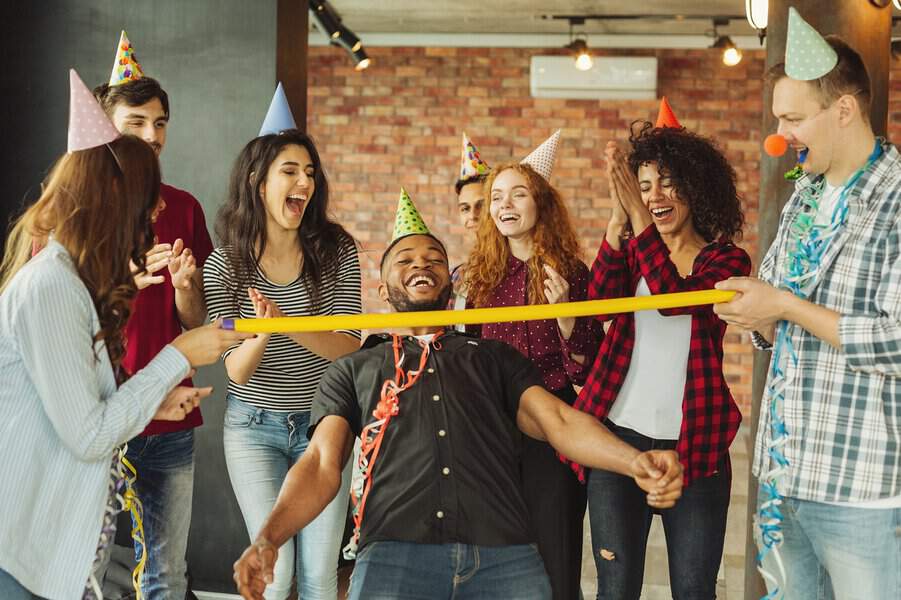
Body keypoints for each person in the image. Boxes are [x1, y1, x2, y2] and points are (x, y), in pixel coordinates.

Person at [231, 196, 685, 600]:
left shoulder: (492, 357)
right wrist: (269, 538)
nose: (421, 264)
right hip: (393, 555)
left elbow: (558, 423)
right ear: (382, 291)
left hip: (504, 557)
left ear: (449, 287)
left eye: (433, 258)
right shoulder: (353, 369)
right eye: (404, 259)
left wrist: (635, 462)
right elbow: (319, 464)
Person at [0, 70, 250, 600]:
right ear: (110, 195)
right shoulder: (52, 286)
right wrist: (179, 354)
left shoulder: (70, 282)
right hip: (20, 546)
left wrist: (155, 404)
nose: (158, 211)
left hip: (45, 547)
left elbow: (78, 405)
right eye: (146, 198)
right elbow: (88, 432)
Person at [714, 10, 901, 599]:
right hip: (782, 475)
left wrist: (786, 307)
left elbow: (896, 341)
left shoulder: (897, 199)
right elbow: (774, 315)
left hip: (863, 489)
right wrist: (757, 314)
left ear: (843, 109)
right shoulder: (803, 197)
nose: (782, 135)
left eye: (793, 118)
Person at [572, 104, 750, 598]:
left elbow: (674, 301)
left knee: (694, 589)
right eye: (643, 185)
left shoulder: (725, 258)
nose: (654, 196)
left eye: (667, 182)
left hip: (695, 445)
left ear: (696, 187)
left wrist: (636, 221)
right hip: (619, 439)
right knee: (615, 584)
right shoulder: (633, 248)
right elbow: (598, 308)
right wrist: (615, 222)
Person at [204, 120, 362, 600]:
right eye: (290, 171)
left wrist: (284, 322)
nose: (305, 183)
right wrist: (263, 333)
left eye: (310, 172)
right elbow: (235, 367)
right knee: (277, 569)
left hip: (324, 427)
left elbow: (349, 343)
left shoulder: (336, 250)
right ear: (259, 181)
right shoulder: (225, 264)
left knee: (318, 574)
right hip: (253, 428)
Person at [92, 31, 214, 598]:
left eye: (160, 122)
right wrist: (124, 281)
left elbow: (196, 323)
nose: (152, 134)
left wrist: (187, 287)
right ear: (104, 123)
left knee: (167, 574)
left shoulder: (184, 207)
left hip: (168, 421)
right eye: (137, 121)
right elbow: (56, 321)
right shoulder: (76, 212)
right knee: (76, 563)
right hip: (92, 418)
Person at [464, 131, 596, 600]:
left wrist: (566, 318)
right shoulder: (480, 275)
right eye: (497, 197)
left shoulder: (573, 274)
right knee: (498, 549)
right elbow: (470, 353)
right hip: (493, 426)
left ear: (541, 204)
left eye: (518, 193)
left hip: (551, 424)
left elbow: (588, 364)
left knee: (556, 548)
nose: (505, 204)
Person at [449, 132, 490, 314]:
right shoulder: (456, 275)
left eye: (481, 206)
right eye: (465, 208)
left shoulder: (518, 269)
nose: (472, 215)